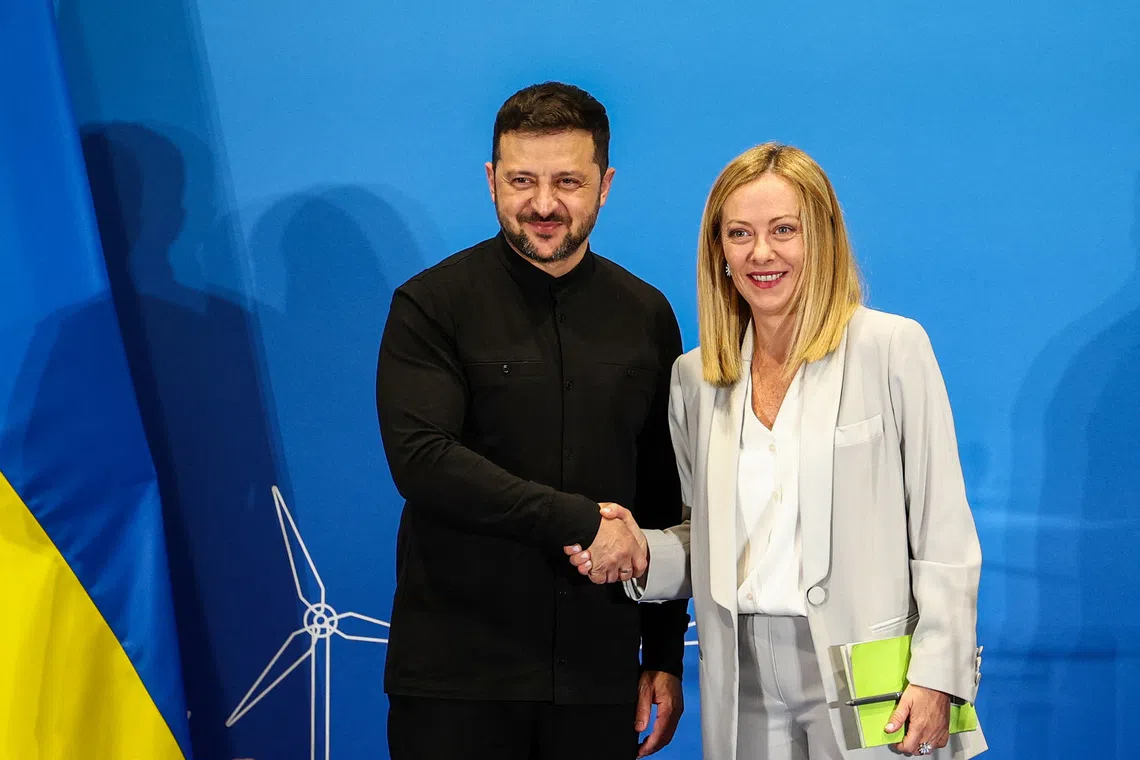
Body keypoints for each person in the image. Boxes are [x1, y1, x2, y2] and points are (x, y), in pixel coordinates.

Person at [565, 143, 987, 759]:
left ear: (823, 238)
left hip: (871, 671)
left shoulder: (891, 348)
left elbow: (941, 531)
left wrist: (937, 675)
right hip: (741, 672)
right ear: (721, 253)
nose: (761, 253)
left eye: (783, 230)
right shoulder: (695, 378)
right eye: (740, 234)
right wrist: (642, 552)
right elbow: (705, 539)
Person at [376, 82, 688, 760]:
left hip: (597, 677)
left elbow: (665, 493)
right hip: (455, 681)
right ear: (491, 181)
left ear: (605, 184)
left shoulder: (646, 314)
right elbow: (423, 460)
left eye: (568, 182)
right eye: (522, 180)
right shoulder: (431, 305)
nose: (544, 205)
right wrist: (581, 521)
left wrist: (664, 653)